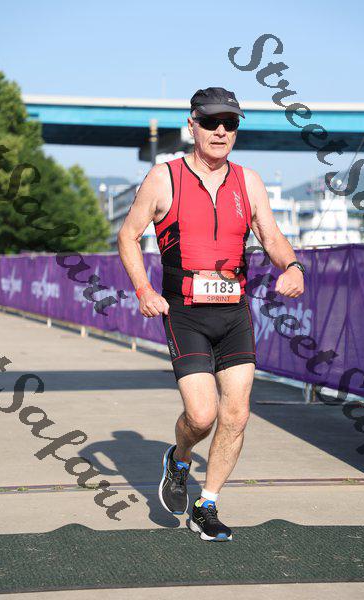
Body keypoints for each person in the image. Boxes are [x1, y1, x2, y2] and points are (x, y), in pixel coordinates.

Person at [118, 86, 305, 542]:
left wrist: (292, 265)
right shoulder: (165, 177)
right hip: (185, 313)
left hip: (234, 312)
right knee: (202, 417)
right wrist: (144, 289)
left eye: (230, 123)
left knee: (236, 414)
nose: (221, 131)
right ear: (192, 125)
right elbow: (128, 235)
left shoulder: (249, 181)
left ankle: (208, 504)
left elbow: (271, 235)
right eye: (211, 122)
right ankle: (179, 458)